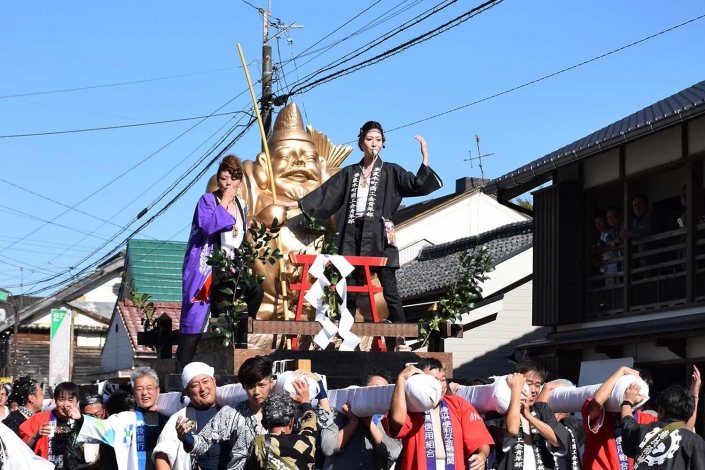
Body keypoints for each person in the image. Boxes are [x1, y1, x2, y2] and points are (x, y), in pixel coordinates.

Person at [284, 121, 443, 324]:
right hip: (352, 230)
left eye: (378, 140)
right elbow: (328, 194)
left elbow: (416, 184)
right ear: (361, 143)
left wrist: (425, 157)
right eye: (369, 139)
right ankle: (346, 329)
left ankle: (401, 332)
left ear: (383, 143)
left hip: (379, 232)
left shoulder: (391, 171)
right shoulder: (350, 172)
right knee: (348, 282)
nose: (373, 143)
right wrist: (299, 204)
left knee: (389, 284)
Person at [178, 154, 263, 364]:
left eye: (233, 179)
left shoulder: (242, 205)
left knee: (254, 291)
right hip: (208, 266)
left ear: (240, 182)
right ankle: (184, 366)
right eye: (223, 178)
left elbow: (241, 236)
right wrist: (224, 201)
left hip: (234, 265)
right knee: (196, 317)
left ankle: (238, 341)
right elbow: (208, 227)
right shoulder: (207, 200)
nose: (227, 183)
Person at [385, 358, 493, 470]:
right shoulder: (411, 407)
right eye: (434, 380)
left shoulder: (458, 404)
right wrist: (401, 379)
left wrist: (482, 455)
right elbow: (397, 422)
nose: (440, 385)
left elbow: (480, 438)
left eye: (443, 380)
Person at [177, 356, 273, 470]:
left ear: (271, 383)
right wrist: (184, 437)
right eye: (251, 386)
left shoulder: (283, 411)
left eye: (261, 385)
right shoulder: (231, 413)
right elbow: (202, 442)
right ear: (243, 386)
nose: (256, 392)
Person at [486, 362, 569, 470]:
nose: (533, 390)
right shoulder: (499, 411)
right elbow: (512, 430)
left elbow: (556, 440)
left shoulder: (542, 409)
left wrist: (529, 417)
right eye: (529, 384)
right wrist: (516, 391)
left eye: (538, 385)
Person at [153, 362, 232, 470]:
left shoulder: (231, 412)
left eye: (205, 381)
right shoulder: (180, 419)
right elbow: (162, 456)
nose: (203, 388)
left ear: (214, 382)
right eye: (195, 385)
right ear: (186, 392)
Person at [321, 370, 402, 470]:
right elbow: (328, 447)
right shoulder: (339, 413)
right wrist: (353, 422)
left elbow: (394, 453)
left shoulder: (390, 420)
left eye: (383, 391)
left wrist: (370, 424)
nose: (377, 395)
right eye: (374, 388)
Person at [581, 366, 658, 470]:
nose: (634, 392)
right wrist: (622, 371)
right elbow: (598, 400)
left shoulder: (648, 420)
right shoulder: (602, 413)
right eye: (632, 386)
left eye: (639, 388)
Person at [620, 383, 705, 469]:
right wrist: (695, 395)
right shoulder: (694, 441)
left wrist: (627, 402)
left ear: (662, 411)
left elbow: (627, 423)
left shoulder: (641, 431)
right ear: (689, 415)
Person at [244, 383, 318, 470]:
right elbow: (310, 422)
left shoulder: (260, 443)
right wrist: (305, 401)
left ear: (264, 423)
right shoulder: (307, 441)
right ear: (291, 422)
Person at [19, 381, 80, 469]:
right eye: (61, 400)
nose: (65, 405)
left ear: (76, 402)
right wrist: (36, 435)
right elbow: (22, 448)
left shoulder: (81, 421)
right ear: (55, 400)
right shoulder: (39, 419)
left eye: (70, 400)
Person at [537, 380, 586, 470]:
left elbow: (596, 416)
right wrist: (547, 388)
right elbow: (536, 414)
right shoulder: (534, 420)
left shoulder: (572, 424)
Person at [130, 367, 168, 470]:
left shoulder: (168, 416)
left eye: (149, 388)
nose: (144, 393)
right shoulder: (129, 419)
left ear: (158, 390)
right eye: (139, 389)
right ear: (133, 393)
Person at [64, 393, 105, 470]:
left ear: (104, 413)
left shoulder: (111, 433)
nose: (93, 420)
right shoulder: (75, 438)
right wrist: (95, 465)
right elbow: (71, 467)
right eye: (88, 416)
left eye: (97, 415)